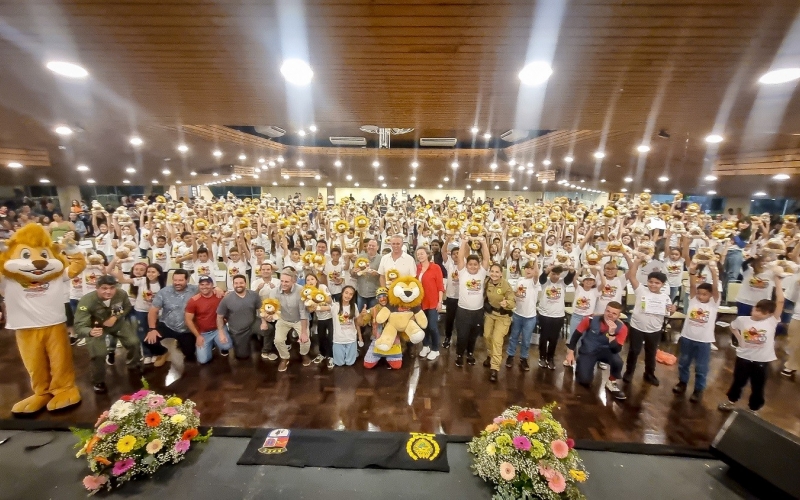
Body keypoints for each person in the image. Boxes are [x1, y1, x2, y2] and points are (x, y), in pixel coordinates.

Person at [719, 279, 784, 414]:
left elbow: (780, 301)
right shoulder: (743, 320)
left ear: (769, 314)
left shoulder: (772, 322)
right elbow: (732, 327)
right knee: (738, 381)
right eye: (756, 309)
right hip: (743, 358)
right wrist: (739, 339)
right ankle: (731, 401)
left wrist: (778, 281)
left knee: (758, 386)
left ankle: (754, 408)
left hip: (761, 361)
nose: (756, 313)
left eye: (762, 312)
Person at [73, 275, 141, 394]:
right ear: (97, 288)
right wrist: (89, 331)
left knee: (134, 342)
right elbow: (79, 325)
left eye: (111, 287)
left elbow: (127, 307)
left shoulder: (122, 294)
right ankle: (98, 381)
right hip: (96, 328)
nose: (108, 291)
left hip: (117, 323)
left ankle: (133, 365)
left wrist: (116, 317)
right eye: (104, 288)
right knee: (99, 354)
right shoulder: (87, 300)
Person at [673, 260, 720, 403]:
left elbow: (716, 288)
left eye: (704, 294)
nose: (700, 296)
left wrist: (713, 271)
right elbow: (693, 285)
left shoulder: (714, 304)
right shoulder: (693, 301)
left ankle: (698, 390)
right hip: (687, 337)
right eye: (699, 294)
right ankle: (682, 382)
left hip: (704, 341)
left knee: (701, 367)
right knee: (684, 362)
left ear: (711, 295)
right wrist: (692, 271)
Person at [624, 256, 675, 386]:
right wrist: (636, 261)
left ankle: (649, 374)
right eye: (651, 281)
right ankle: (629, 372)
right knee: (634, 351)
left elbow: (670, 312)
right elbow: (631, 276)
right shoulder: (641, 290)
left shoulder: (665, 297)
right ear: (647, 281)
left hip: (654, 329)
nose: (653, 284)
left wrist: (673, 309)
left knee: (651, 352)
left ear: (662, 285)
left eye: (657, 283)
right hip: (637, 327)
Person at [145, 269, 211, 366]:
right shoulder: (164, 292)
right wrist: (152, 329)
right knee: (148, 341)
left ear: (187, 280)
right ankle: (163, 352)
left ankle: (181, 343)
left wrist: (217, 289)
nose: (177, 283)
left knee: (189, 353)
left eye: (180, 280)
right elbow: (153, 311)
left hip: (186, 329)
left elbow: (209, 289)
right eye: (175, 280)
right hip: (167, 325)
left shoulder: (195, 289)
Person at [565, 301, 628, 401]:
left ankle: (611, 382)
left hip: (607, 351)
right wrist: (570, 352)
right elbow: (576, 335)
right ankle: (582, 365)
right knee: (584, 381)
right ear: (605, 310)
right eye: (608, 311)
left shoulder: (622, 328)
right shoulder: (590, 319)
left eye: (614, 313)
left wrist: (612, 334)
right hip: (589, 350)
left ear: (619, 315)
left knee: (618, 361)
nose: (610, 314)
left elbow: (616, 349)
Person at [113, 263, 164, 365]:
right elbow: (122, 280)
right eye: (148, 271)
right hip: (140, 310)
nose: (150, 274)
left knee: (153, 333)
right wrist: (119, 267)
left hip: (154, 313)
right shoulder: (142, 280)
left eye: (153, 272)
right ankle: (147, 354)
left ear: (159, 273)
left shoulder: (162, 285)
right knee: (142, 333)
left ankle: (155, 353)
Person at [454, 236, 490, 367]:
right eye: (470, 264)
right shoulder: (462, 272)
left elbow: (486, 258)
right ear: (466, 265)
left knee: (473, 335)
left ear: (479, 265)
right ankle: (459, 354)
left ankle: (470, 353)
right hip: (463, 311)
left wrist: (483, 242)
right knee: (462, 335)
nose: (473, 266)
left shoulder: (481, 273)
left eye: (475, 264)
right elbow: (460, 258)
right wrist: (464, 242)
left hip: (477, 311)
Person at [268, 267, 311, 371]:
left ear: (294, 281)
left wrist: (304, 332)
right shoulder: (274, 292)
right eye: (282, 281)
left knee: (305, 340)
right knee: (278, 340)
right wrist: (269, 315)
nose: (283, 284)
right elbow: (272, 308)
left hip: (299, 320)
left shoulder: (301, 290)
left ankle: (304, 354)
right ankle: (285, 357)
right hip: (283, 320)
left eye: (286, 281)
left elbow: (303, 312)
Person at [537, 264, 576, 370]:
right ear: (550, 274)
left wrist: (570, 269)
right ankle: (542, 357)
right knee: (544, 338)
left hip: (558, 316)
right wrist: (547, 270)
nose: (555, 276)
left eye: (558, 274)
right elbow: (542, 278)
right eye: (553, 274)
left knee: (554, 339)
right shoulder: (545, 282)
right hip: (545, 314)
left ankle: (550, 358)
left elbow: (570, 276)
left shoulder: (562, 283)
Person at [186, 275, 231, 364]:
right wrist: (198, 336)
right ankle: (211, 344)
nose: (205, 287)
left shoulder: (219, 295)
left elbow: (231, 294)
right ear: (199, 286)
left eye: (207, 284)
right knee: (203, 360)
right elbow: (188, 320)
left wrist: (221, 290)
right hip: (203, 333)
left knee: (227, 345)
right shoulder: (193, 300)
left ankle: (220, 345)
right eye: (202, 284)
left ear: (212, 285)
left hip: (219, 329)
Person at [482, 263, 516, 382]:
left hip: (503, 316)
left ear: (501, 273)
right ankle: (490, 355)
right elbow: (484, 296)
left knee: (497, 340)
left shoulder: (506, 285)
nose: (494, 274)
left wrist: (507, 304)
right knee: (487, 336)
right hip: (490, 314)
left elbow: (513, 301)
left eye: (497, 272)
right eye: (492, 271)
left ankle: (494, 368)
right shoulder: (487, 282)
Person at [216, 274, 261, 360]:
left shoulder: (253, 295)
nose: (239, 285)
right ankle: (239, 341)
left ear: (246, 283)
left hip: (253, 323)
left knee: (269, 329)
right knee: (242, 356)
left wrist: (264, 322)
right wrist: (221, 332)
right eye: (236, 283)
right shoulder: (227, 299)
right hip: (238, 330)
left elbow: (261, 309)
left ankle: (266, 350)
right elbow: (219, 316)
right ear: (233, 285)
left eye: (241, 283)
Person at [505, 260, 540, 371]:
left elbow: (537, 274)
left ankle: (523, 358)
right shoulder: (520, 280)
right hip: (518, 314)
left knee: (526, 339)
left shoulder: (535, 282)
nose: (529, 270)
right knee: (513, 337)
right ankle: (510, 355)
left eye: (531, 268)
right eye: (527, 268)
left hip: (530, 317)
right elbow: (514, 293)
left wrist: (535, 258)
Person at [362, 287, 403, 369]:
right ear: (377, 299)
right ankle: (381, 356)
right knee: (368, 364)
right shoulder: (373, 309)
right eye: (380, 297)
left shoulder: (395, 308)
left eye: (384, 296)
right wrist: (362, 315)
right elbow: (362, 322)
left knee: (396, 365)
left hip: (393, 340)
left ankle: (387, 356)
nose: (383, 299)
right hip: (377, 339)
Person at [416, 246, 445, 361]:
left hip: (433, 302)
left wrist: (440, 301)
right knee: (423, 326)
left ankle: (435, 349)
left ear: (428, 254)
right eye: (418, 254)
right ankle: (425, 346)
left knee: (432, 326)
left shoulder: (435, 267)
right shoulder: (417, 268)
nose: (420, 256)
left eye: (422, 253)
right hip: (420, 302)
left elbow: (440, 286)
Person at [331, 285, 364, 366]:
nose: (348, 296)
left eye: (351, 294)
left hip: (351, 339)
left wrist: (360, 337)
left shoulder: (354, 306)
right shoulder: (335, 306)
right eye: (346, 293)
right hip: (338, 339)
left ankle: (354, 351)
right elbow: (324, 306)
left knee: (350, 363)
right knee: (339, 363)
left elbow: (358, 323)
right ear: (342, 293)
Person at [352, 239, 382, 312]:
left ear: (377, 247)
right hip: (361, 292)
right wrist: (354, 271)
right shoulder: (360, 257)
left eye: (373, 246)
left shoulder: (381, 259)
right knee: (361, 316)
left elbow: (384, 275)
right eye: (369, 245)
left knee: (373, 316)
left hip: (374, 293)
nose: (371, 247)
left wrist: (377, 273)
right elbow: (352, 273)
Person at [441, 239, 459, 349]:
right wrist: (447, 239)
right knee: (449, 319)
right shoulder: (449, 265)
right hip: (451, 297)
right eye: (454, 254)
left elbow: (466, 251)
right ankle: (448, 337)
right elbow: (443, 251)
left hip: (462, 298)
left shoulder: (465, 263)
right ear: (451, 256)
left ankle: (460, 339)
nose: (456, 255)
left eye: (458, 253)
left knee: (461, 321)